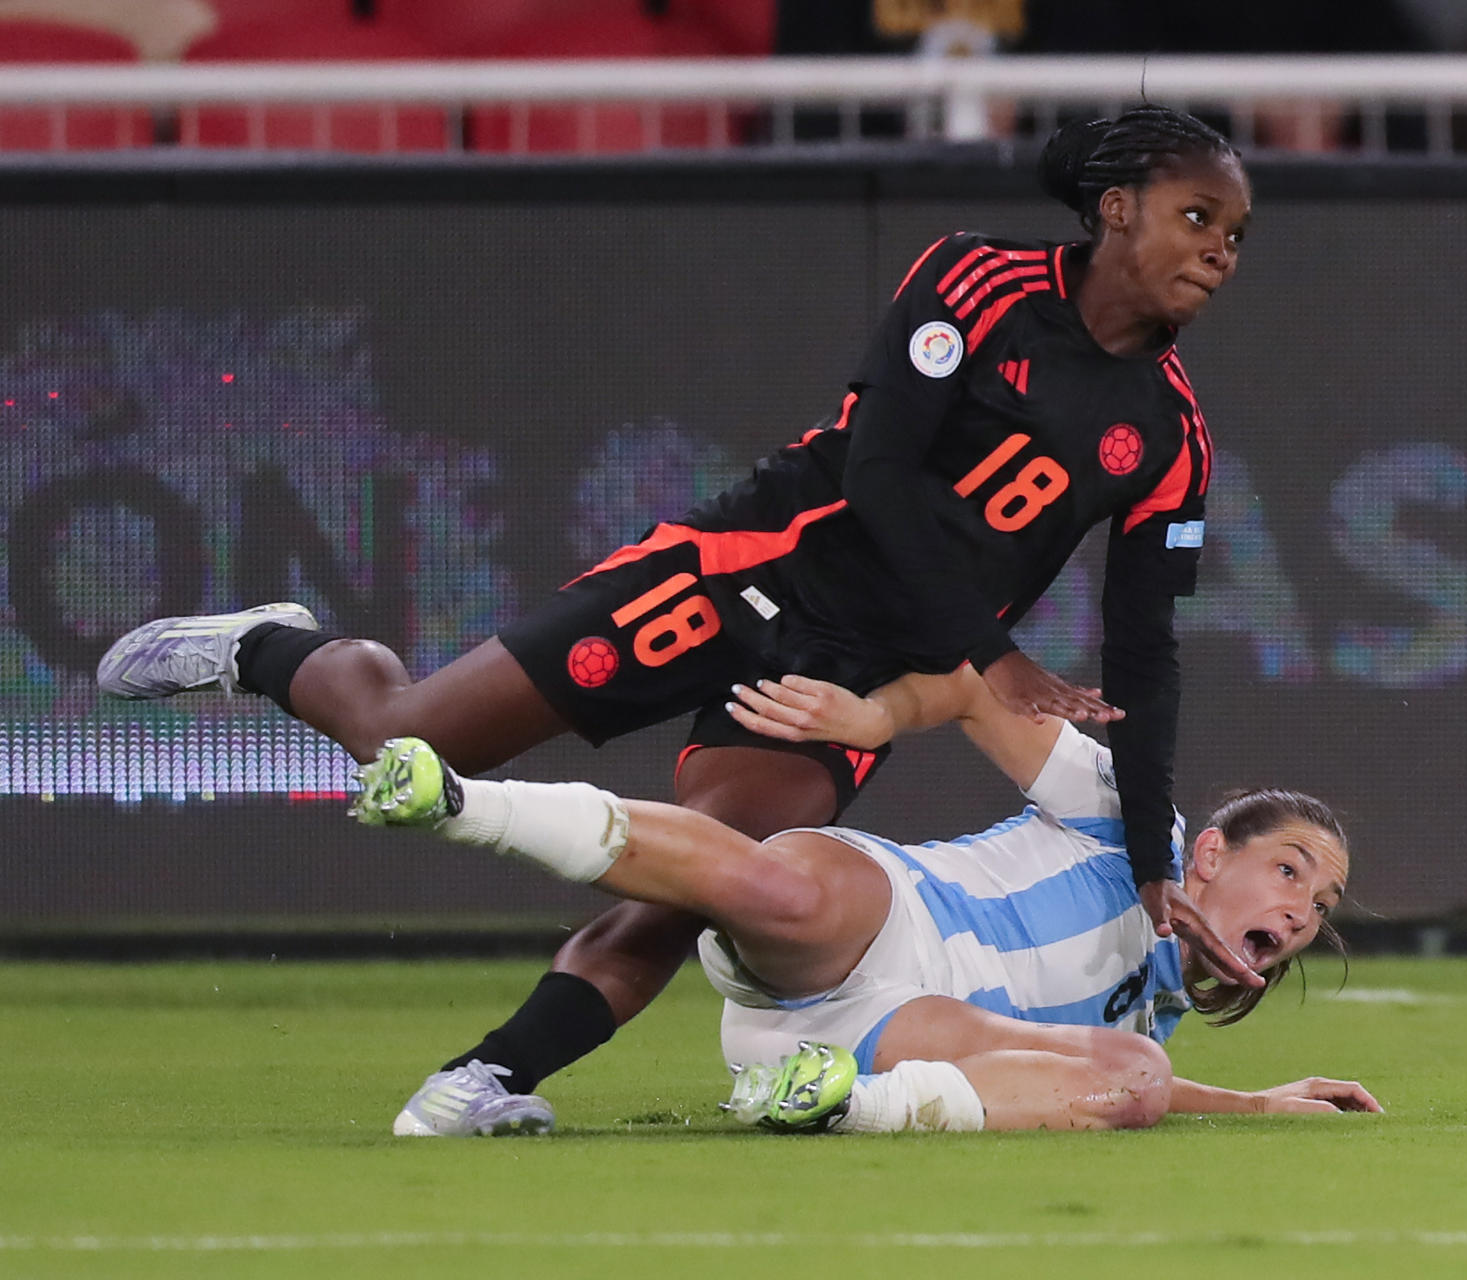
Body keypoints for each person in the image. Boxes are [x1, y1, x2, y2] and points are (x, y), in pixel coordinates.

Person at [96, 102, 1258, 1135]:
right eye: (1199, 215)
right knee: (416, 735)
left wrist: (1154, 864)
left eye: (1235, 235)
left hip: (847, 678)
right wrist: (998, 656)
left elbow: (1144, 651)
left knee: (713, 879)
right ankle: (269, 645)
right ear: (1115, 208)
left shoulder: (1173, 436)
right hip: (740, 573)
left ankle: (493, 1072)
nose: (1219, 250)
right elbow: (880, 477)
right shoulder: (976, 281)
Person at [351, 664, 1381, 1133]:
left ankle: (839, 1100)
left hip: (882, 1031)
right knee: (775, 887)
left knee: (1137, 1077)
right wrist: (876, 708)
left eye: (1319, 902)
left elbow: (1136, 1083)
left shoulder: (1150, 1014)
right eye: (1290, 868)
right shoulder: (1131, 814)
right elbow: (979, 688)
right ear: (1207, 852)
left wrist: (1258, 1099)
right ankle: (458, 798)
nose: (1299, 910)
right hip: (894, 910)